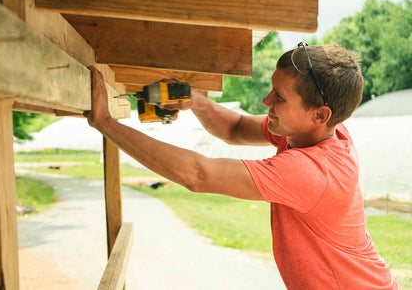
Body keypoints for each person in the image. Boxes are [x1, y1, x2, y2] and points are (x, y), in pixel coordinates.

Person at [84, 43, 398, 289]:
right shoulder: (313, 133)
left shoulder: (311, 171)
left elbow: (198, 175)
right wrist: (196, 101)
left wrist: (105, 123)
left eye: (279, 97)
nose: (266, 101)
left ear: (320, 115)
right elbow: (234, 128)